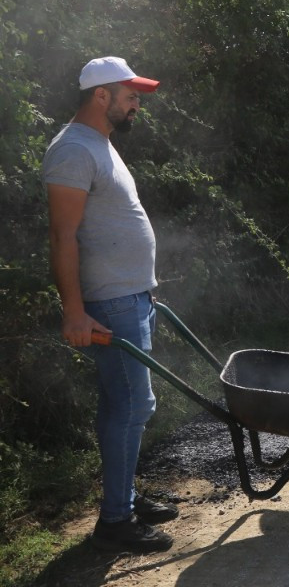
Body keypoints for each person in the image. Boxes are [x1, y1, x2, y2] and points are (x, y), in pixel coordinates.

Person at [43, 56, 178, 553]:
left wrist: (145, 287)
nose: (137, 102)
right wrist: (74, 312)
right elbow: (62, 236)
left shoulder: (101, 145)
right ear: (101, 95)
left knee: (124, 406)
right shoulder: (74, 150)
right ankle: (115, 522)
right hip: (109, 303)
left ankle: (126, 496)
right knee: (132, 406)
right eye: (130, 94)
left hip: (133, 296)